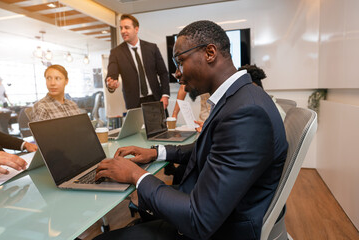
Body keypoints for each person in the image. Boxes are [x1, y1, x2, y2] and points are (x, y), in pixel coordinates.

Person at [94, 20, 288, 240]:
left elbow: (199, 219)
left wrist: (135, 175)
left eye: (180, 61)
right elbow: (211, 147)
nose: (177, 74)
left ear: (210, 53)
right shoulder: (240, 98)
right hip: (217, 213)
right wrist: (157, 152)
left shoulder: (247, 113)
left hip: (218, 230)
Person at [105, 14, 170, 111]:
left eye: (126, 27)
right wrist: (110, 84)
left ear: (136, 29)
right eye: (121, 28)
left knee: (159, 127)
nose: (123, 31)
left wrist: (165, 95)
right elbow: (111, 76)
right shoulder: (116, 53)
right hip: (134, 104)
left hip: (156, 99)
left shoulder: (152, 48)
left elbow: (163, 73)